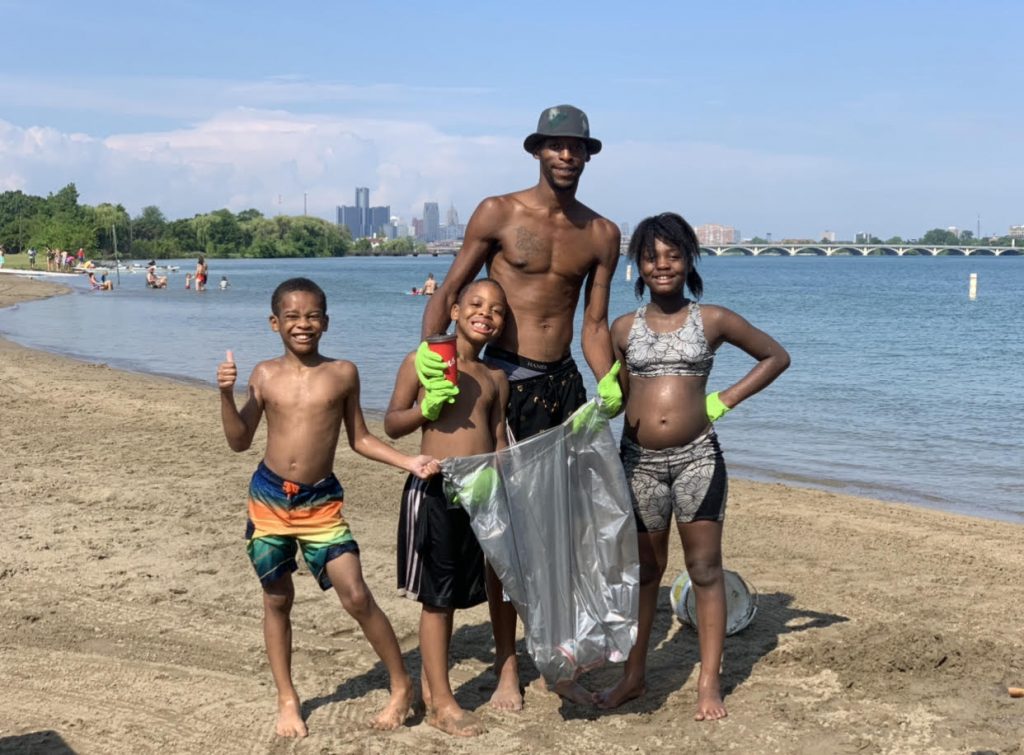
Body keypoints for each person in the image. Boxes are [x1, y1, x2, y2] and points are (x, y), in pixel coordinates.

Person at [418, 104, 622, 709]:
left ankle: (559, 656)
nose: (566, 156)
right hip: (502, 383)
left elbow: (594, 323)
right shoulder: (498, 212)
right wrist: (435, 357)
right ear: (537, 151)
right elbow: (452, 291)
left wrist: (609, 381)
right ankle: (509, 667)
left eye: (576, 147)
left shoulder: (603, 233)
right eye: (555, 146)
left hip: (562, 388)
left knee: (561, 536)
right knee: (503, 538)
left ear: (588, 156)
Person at [217, 277, 440, 738]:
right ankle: (287, 698)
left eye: (313, 316)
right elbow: (239, 441)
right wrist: (225, 393)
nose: (304, 324)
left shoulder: (343, 373)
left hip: (321, 501)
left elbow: (359, 438)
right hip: (270, 498)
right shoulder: (262, 375)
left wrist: (408, 462)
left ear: (327, 321)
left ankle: (402, 685)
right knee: (277, 598)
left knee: (355, 593)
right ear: (274, 322)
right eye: (293, 317)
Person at [596, 213, 790, 720]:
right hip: (637, 463)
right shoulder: (623, 328)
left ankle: (708, 684)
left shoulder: (714, 320)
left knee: (704, 570)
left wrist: (722, 401)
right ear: (637, 265)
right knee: (644, 575)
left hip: (697, 460)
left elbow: (775, 356)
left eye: (673, 255)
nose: (662, 265)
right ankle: (633, 677)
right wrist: (609, 393)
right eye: (651, 256)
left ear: (689, 261)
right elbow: (615, 381)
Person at [384, 278, 510, 737]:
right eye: (476, 304)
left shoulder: (496, 378)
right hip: (435, 485)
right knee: (437, 600)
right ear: (454, 310)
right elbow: (394, 423)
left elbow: (497, 441)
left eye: (497, 310)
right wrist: (426, 409)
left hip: (478, 491)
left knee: (456, 594)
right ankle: (442, 703)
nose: (486, 314)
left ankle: (433, 688)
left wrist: (505, 484)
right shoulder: (423, 362)